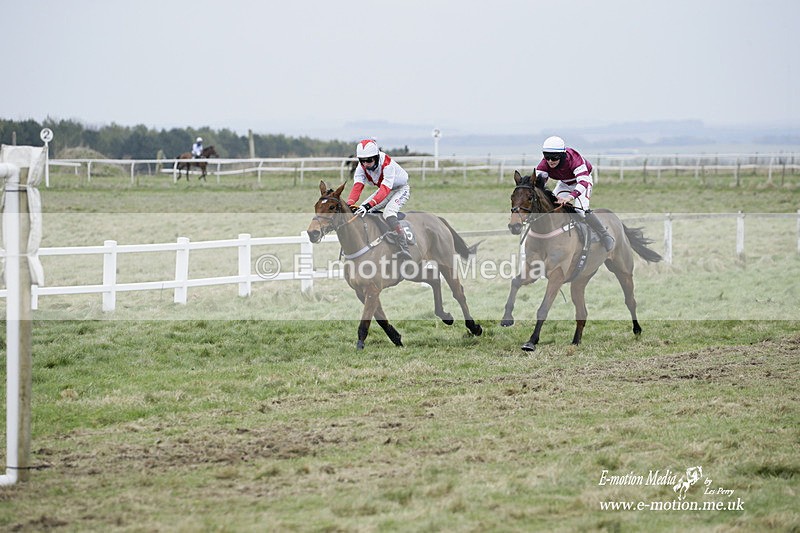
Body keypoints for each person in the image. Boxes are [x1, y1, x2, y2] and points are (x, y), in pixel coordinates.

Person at [534, 135, 615, 251]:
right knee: (553, 207)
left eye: (554, 157)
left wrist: (569, 197)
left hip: (582, 181)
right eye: (547, 157)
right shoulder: (544, 164)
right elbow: (538, 184)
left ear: (562, 155)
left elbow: (583, 182)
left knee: (581, 210)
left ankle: (604, 235)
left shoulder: (574, 158)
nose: (550, 161)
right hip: (564, 183)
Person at [347, 139, 413, 261]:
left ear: (376, 157)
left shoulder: (387, 164)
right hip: (385, 189)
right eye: (362, 161)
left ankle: (404, 248)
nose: (366, 164)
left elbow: (384, 189)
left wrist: (369, 205)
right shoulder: (361, 167)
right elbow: (357, 187)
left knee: (389, 213)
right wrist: (349, 204)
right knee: (361, 211)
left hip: (400, 189)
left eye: (369, 160)